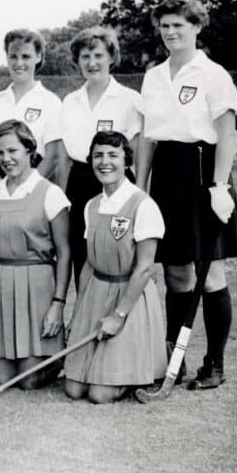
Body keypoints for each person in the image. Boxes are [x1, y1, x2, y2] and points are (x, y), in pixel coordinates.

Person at [136, 0, 237, 390]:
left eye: (179, 24)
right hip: (167, 174)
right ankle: (174, 361)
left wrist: (219, 185)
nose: (171, 32)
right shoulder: (153, 76)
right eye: (165, 25)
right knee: (176, 272)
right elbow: (147, 138)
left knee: (211, 272)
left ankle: (214, 364)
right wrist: (140, 189)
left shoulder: (213, 74)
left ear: (197, 27)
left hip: (204, 173)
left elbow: (227, 133)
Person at [0, 119, 72, 388]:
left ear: (30, 150)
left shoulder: (50, 193)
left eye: (12, 151)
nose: (5, 159)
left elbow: (65, 253)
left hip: (37, 284)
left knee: (29, 381)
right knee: (1, 379)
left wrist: (58, 304)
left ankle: (59, 356)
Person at [64, 132, 166, 403]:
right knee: (73, 390)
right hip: (97, 293)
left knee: (98, 394)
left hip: (128, 299)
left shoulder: (143, 204)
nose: (104, 162)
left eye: (113, 155)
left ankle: (134, 369)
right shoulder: (91, 205)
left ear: (126, 161)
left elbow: (144, 268)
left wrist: (119, 315)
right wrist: (78, 311)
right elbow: (88, 263)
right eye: (98, 155)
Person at [57, 25, 142, 287]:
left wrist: (138, 195)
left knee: (115, 257)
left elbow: (138, 152)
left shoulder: (129, 99)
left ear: (111, 57)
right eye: (85, 57)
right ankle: (83, 320)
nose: (92, 63)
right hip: (79, 183)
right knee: (81, 256)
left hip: (116, 184)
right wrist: (62, 198)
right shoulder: (70, 101)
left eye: (98, 56)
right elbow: (63, 156)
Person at [0, 29, 62, 184]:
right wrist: (0, 188)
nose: (19, 63)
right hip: (0, 186)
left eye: (26, 57)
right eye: (13, 56)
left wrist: (27, 189)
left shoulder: (51, 101)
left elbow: (53, 155)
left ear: (38, 57)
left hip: (37, 187)